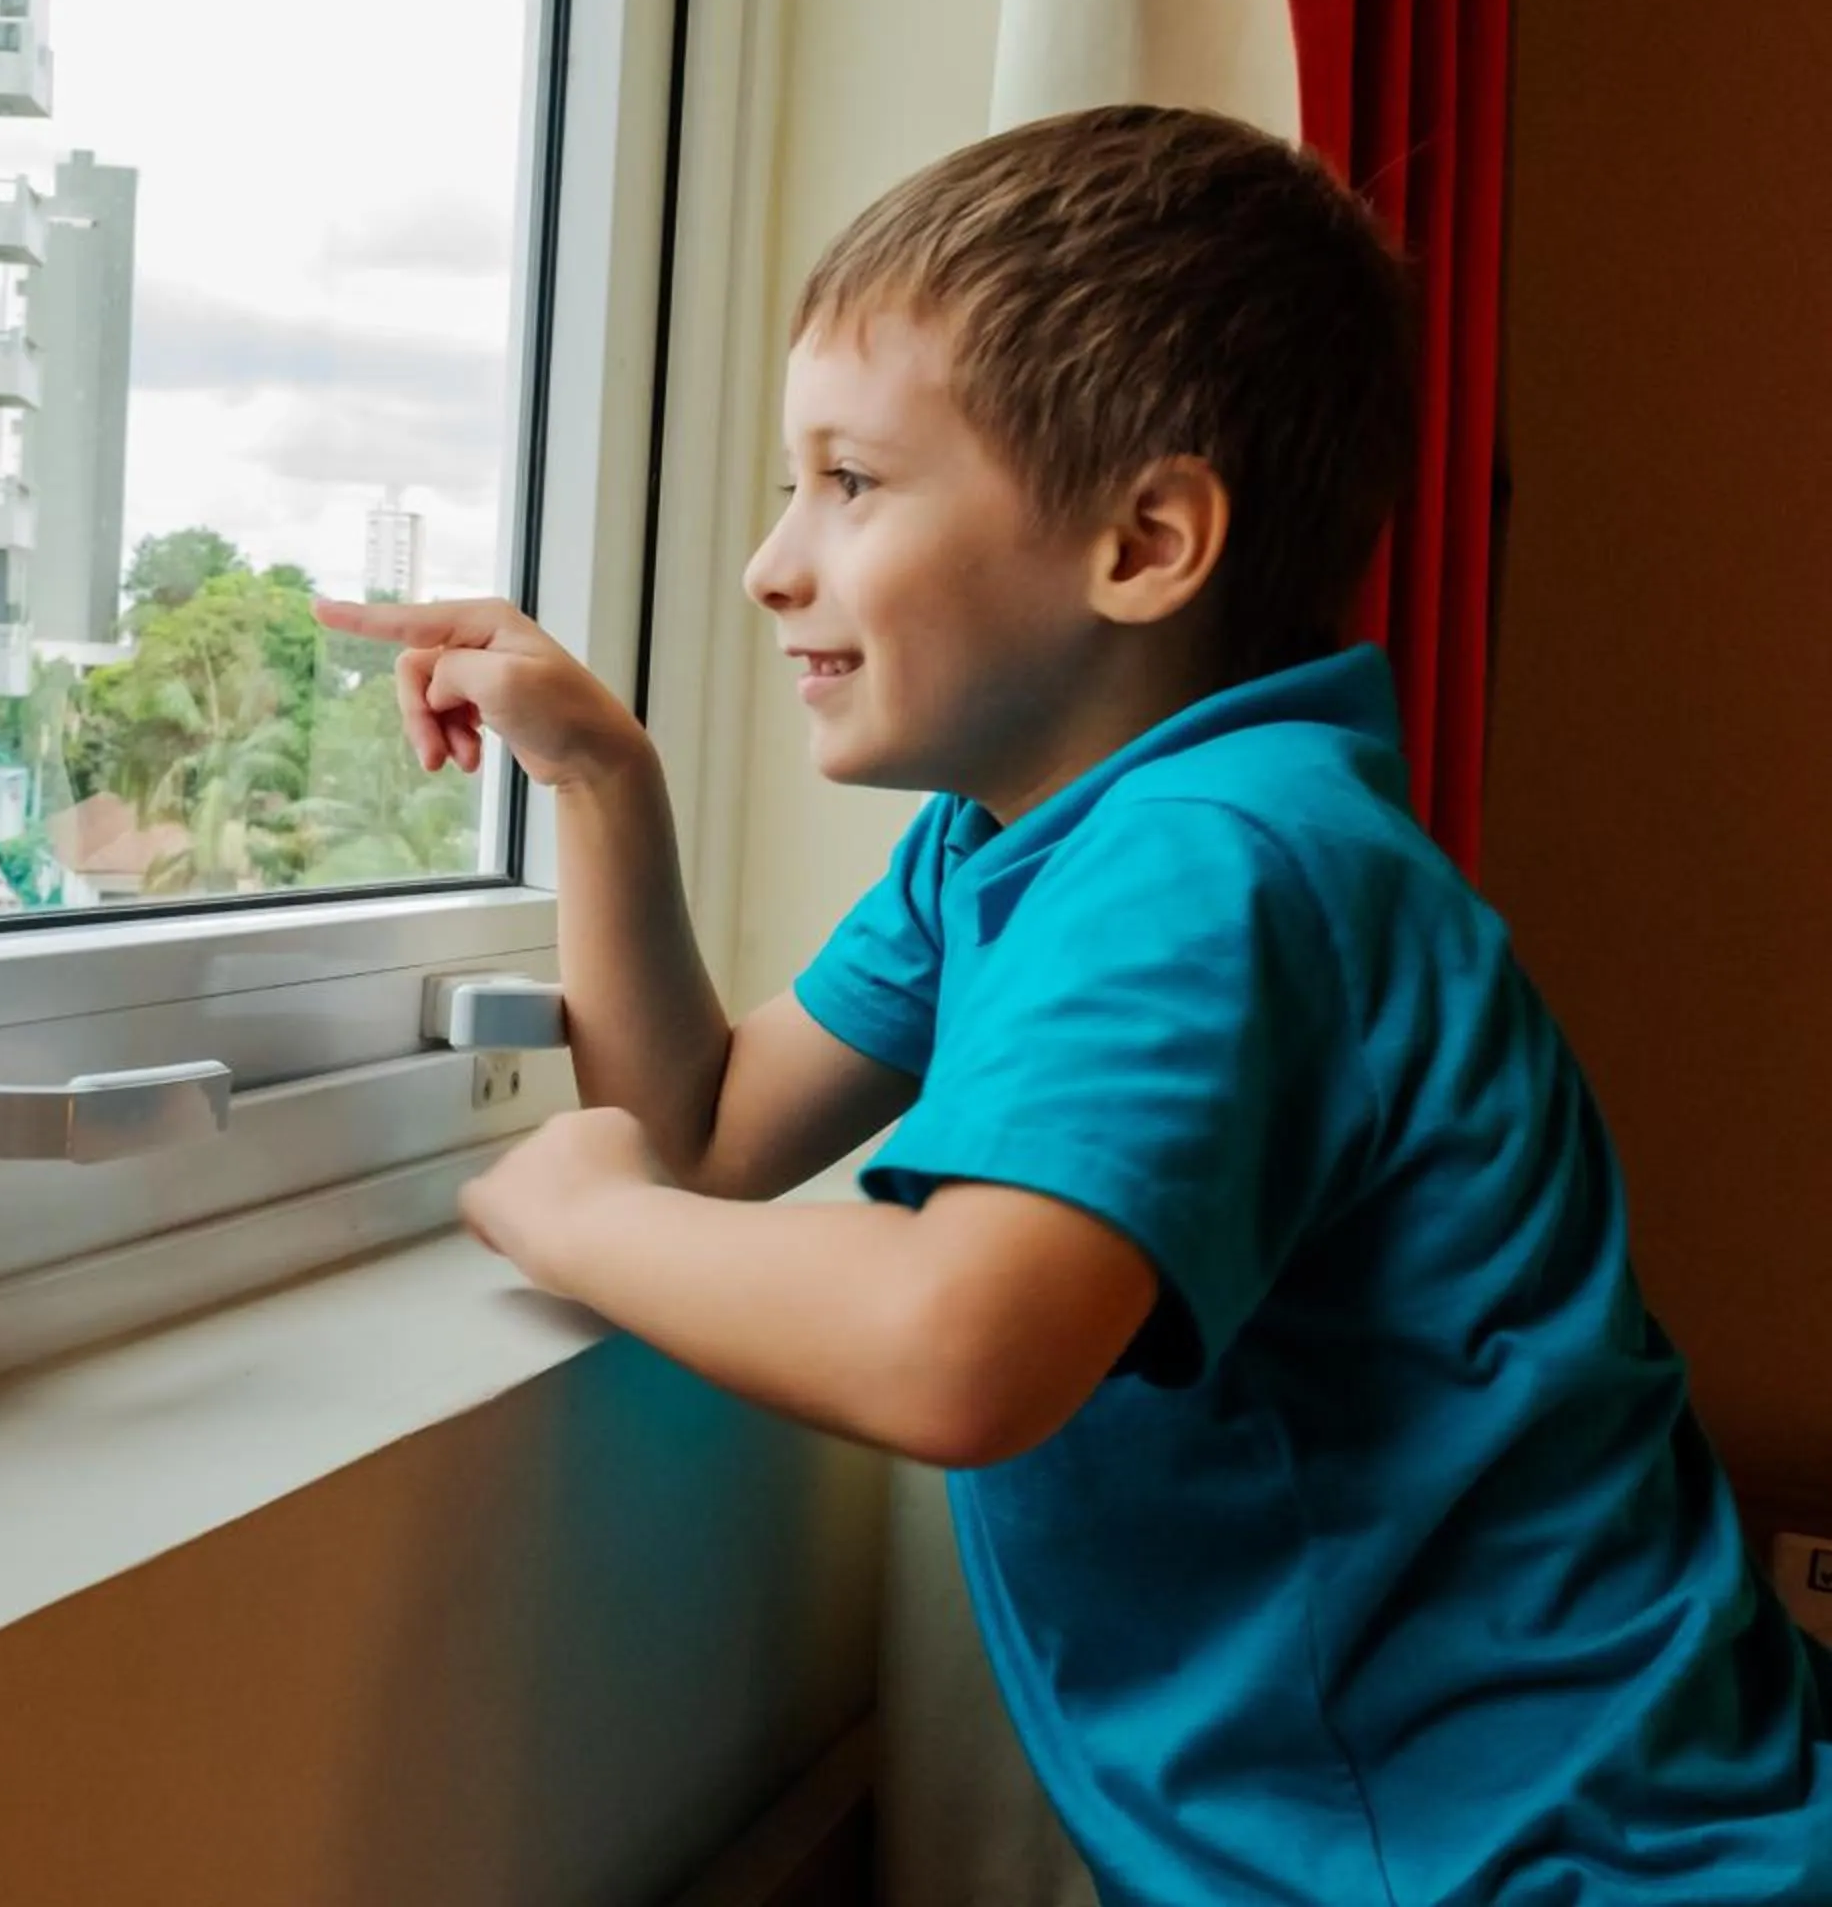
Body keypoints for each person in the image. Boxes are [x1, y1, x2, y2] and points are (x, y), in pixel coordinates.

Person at [318, 105, 1832, 1907]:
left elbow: (955, 1346)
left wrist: (584, 1219)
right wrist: (601, 786)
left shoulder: (1216, 861)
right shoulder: (1015, 845)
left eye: (852, 484)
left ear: (1148, 541)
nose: (770, 562)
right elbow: (713, 1133)